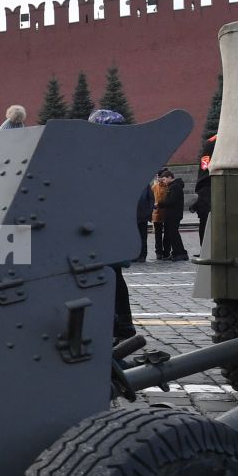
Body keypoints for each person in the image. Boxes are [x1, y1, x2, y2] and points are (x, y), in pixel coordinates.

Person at [87, 110, 138, 342]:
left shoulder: (101, 158)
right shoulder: (125, 156)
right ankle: (123, 325)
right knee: (113, 277)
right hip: (114, 229)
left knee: (105, 279)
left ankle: (116, 326)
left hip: (101, 230)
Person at [152, 167, 186, 260]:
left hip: (173, 214)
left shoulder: (175, 187)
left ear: (169, 177)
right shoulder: (173, 186)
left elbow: (171, 201)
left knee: (174, 234)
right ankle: (177, 252)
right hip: (172, 214)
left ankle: (180, 253)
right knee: (173, 234)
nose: (164, 181)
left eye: (164, 179)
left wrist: (158, 204)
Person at [134, 179, 154, 263]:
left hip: (143, 216)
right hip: (133, 217)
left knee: (142, 237)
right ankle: (134, 255)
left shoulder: (146, 186)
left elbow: (151, 199)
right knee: (134, 237)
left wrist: (148, 212)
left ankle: (142, 255)